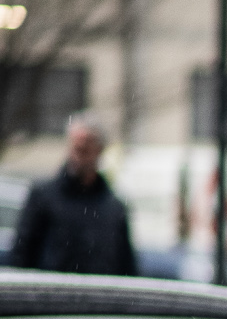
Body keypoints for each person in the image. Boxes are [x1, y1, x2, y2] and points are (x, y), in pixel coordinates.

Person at [9, 114, 137, 276]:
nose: (79, 157)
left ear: (99, 151)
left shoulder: (113, 207)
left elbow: (126, 264)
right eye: (76, 148)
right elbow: (21, 254)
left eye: (85, 150)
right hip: (52, 296)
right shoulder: (43, 197)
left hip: (99, 297)